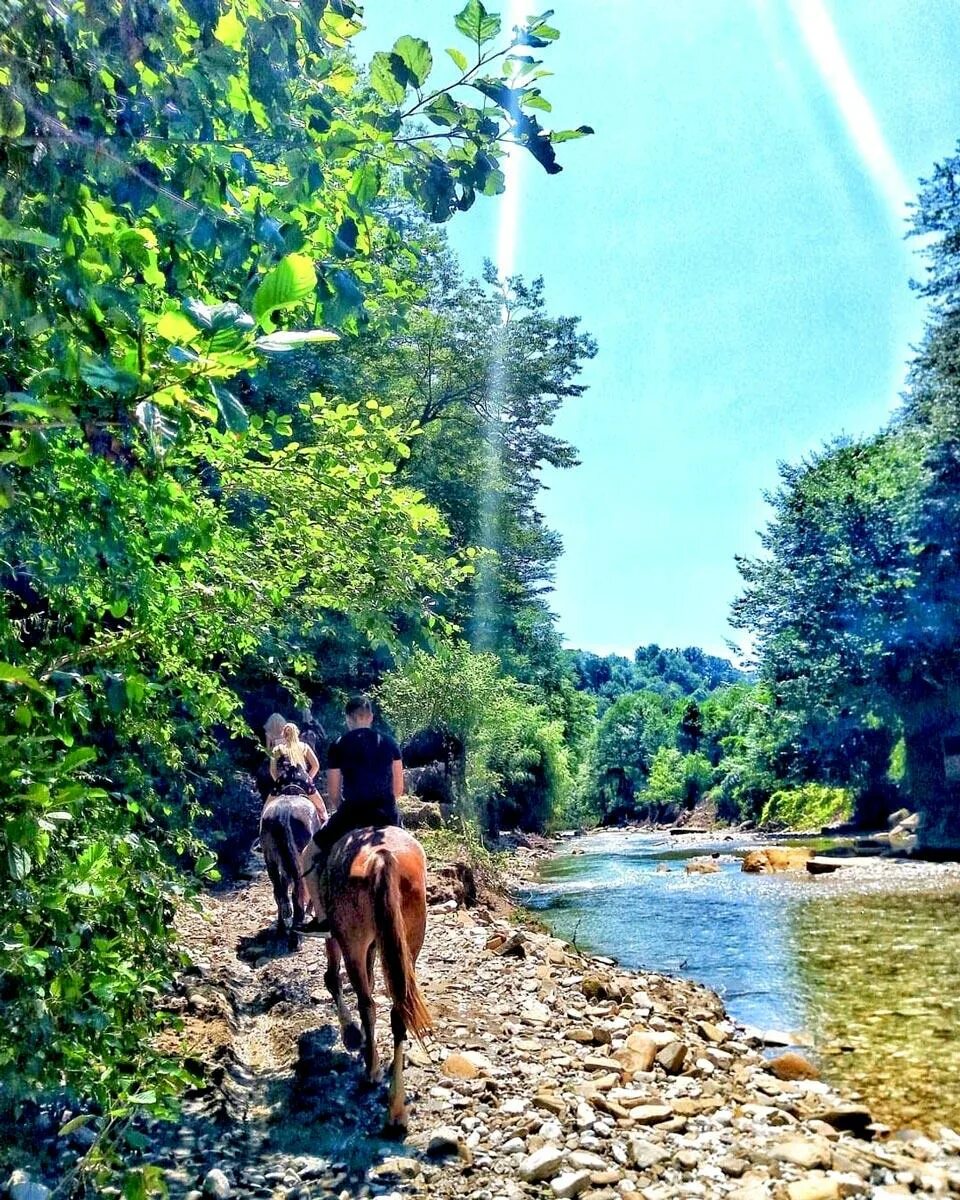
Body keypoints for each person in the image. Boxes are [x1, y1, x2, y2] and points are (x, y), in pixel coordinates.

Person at [298, 695, 403, 935]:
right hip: (387, 816)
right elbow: (398, 790)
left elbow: (334, 793)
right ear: (371, 717)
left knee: (308, 856)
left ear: (348, 719)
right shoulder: (390, 743)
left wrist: (340, 809)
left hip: (352, 815)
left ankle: (323, 920)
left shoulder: (338, 745)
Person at [270, 722, 326, 821]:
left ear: (283, 734)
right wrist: (309, 778)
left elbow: (272, 770)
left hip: (284, 781)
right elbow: (315, 766)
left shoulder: (277, 749)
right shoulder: (304, 746)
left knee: (266, 810)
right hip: (302, 780)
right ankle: (326, 830)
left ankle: (262, 831)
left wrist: (278, 781)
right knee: (322, 808)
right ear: (297, 733)